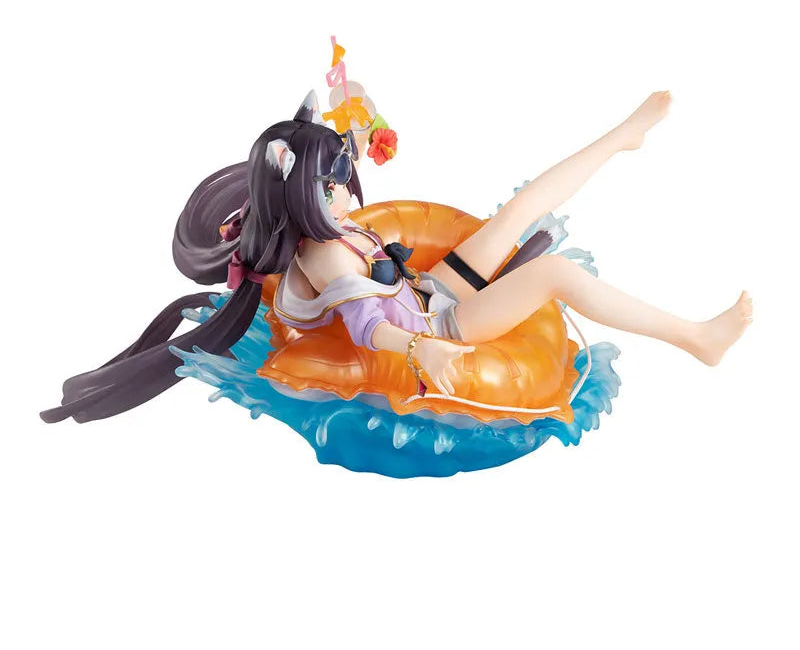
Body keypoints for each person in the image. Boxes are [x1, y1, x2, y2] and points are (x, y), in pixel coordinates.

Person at [40, 88, 752, 424]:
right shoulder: (324, 258)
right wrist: (422, 351)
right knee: (556, 273)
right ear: (304, 191)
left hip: (424, 289)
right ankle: (697, 338)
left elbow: (371, 262)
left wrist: (350, 117)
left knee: (516, 214)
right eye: (333, 181)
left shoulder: (319, 225)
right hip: (438, 325)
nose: (347, 189)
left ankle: (621, 138)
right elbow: (369, 328)